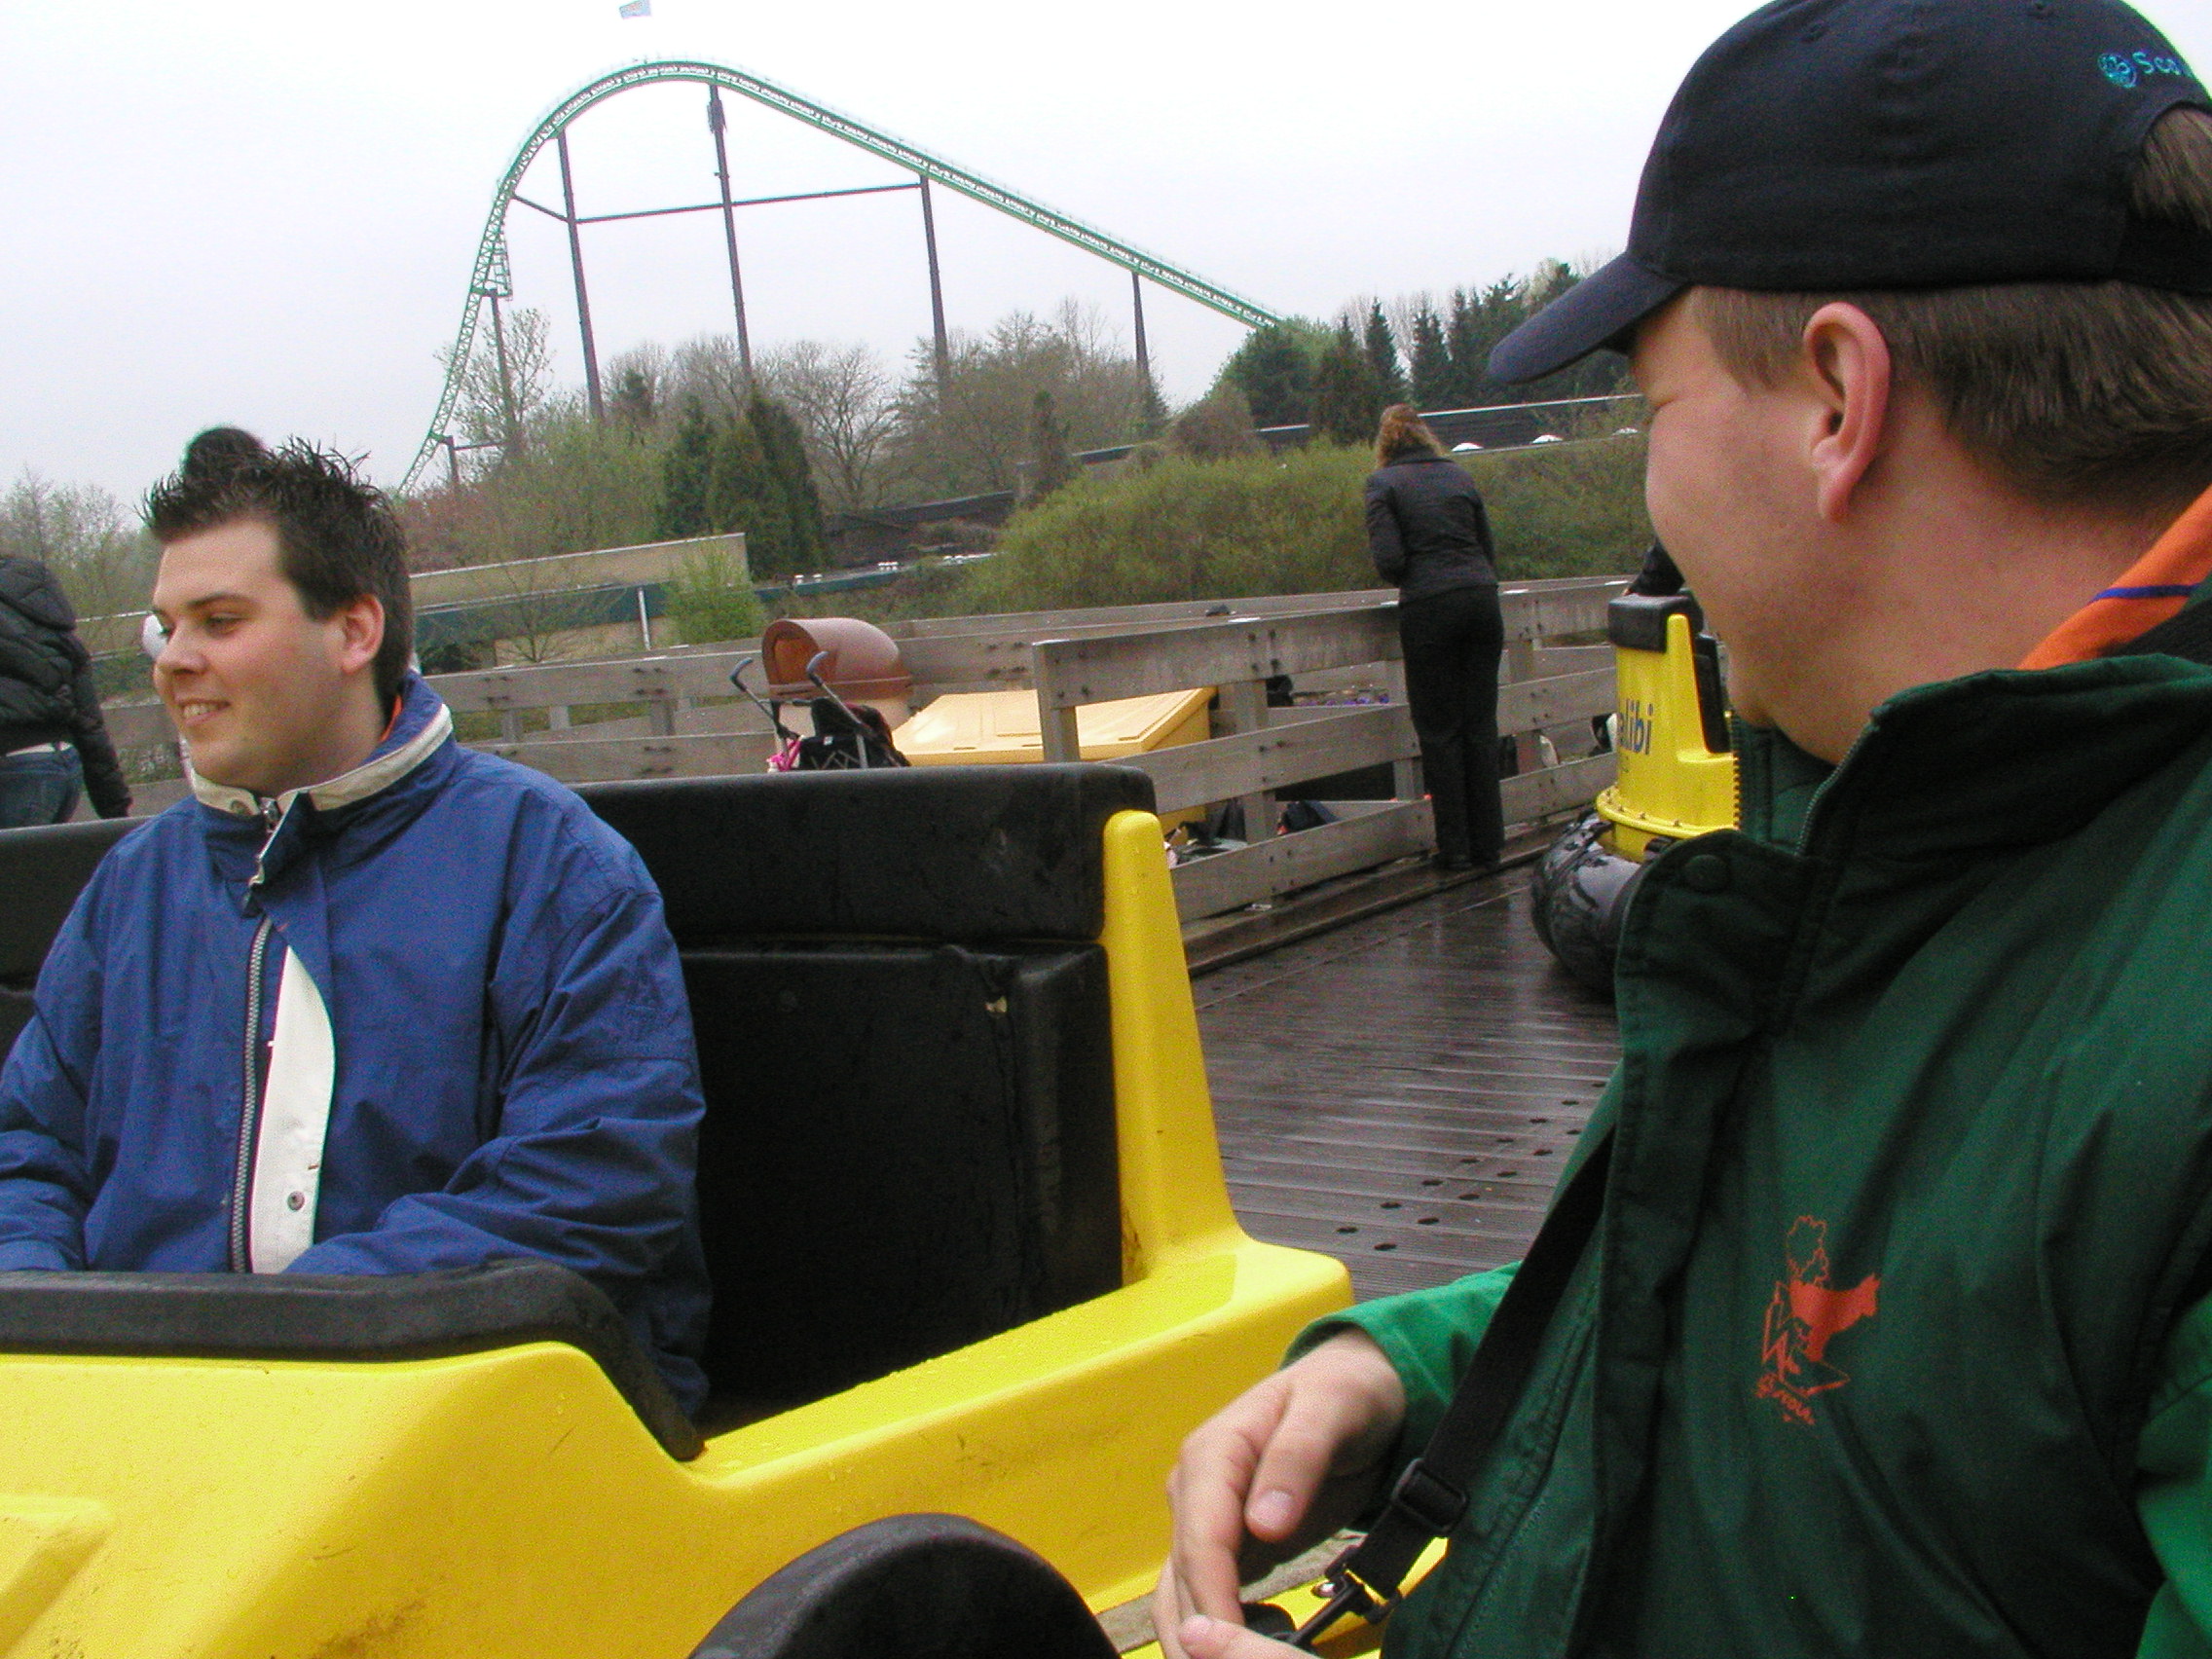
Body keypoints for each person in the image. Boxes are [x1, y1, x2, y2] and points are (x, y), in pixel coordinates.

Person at [1158, 1, 2212, 1654]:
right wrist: (1410, 1373)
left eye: (1653, 410)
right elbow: (1842, 1345)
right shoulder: (1899, 820)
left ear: (1837, 399)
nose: (1653, 497)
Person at [0, 428, 711, 1412]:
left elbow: (595, 1182)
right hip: (140, 1420)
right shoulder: (134, 886)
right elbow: (29, 1150)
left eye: (220, 621)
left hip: (460, 1415)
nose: (174, 663)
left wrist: (281, 1345)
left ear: (354, 632)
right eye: (166, 629)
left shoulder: (551, 865)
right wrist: (50, 1335)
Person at [1363, 406, 1504, 872]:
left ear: (1385, 443)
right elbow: (1486, 548)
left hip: (1430, 606)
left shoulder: (1383, 484)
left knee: (1440, 730)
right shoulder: (1459, 475)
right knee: (1480, 724)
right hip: (1481, 599)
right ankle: (1489, 843)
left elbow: (1390, 561)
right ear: (1426, 436)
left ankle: (1456, 848)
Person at [0, 552, 132, 828]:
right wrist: (115, 809)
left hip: (13, 767)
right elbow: (89, 722)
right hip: (63, 765)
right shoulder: (47, 616)